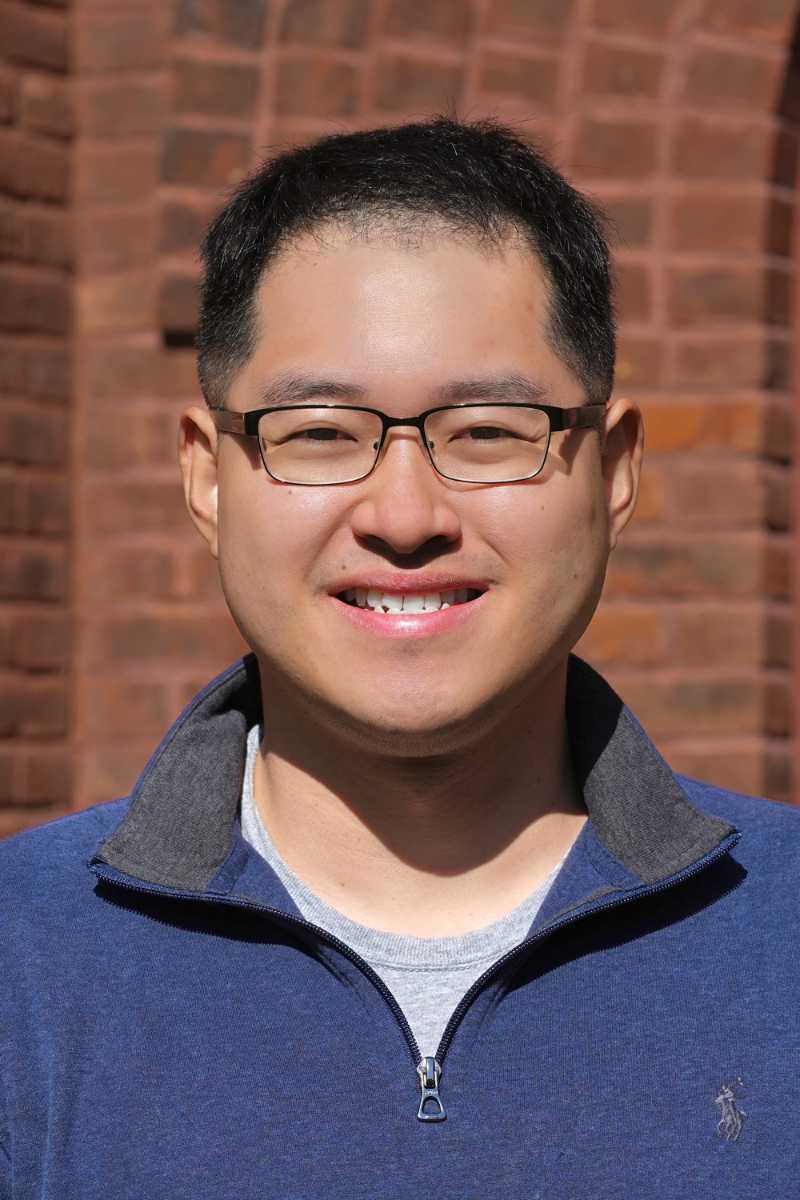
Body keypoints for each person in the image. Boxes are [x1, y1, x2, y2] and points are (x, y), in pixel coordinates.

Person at [1, 117, 798, 1200]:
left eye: (488, 429)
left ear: (610, 473)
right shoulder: (24, 968)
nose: (405, 514)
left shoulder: (775, 936)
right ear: (206, 479)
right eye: (319, 430)